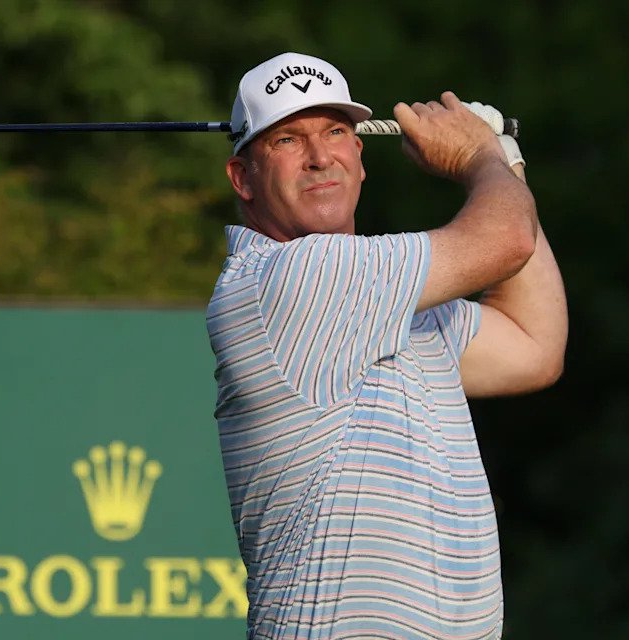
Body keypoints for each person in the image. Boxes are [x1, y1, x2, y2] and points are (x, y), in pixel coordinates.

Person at [206, 51, 567, 640]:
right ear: (242, 177)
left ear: (360, 156)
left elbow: (535, 344)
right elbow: (506, 237)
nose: (320, 156)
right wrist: (479, 157)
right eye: (288, 140)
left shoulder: (395, 304)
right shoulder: (282, 281)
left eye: (336, 132)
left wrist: (507, 163)